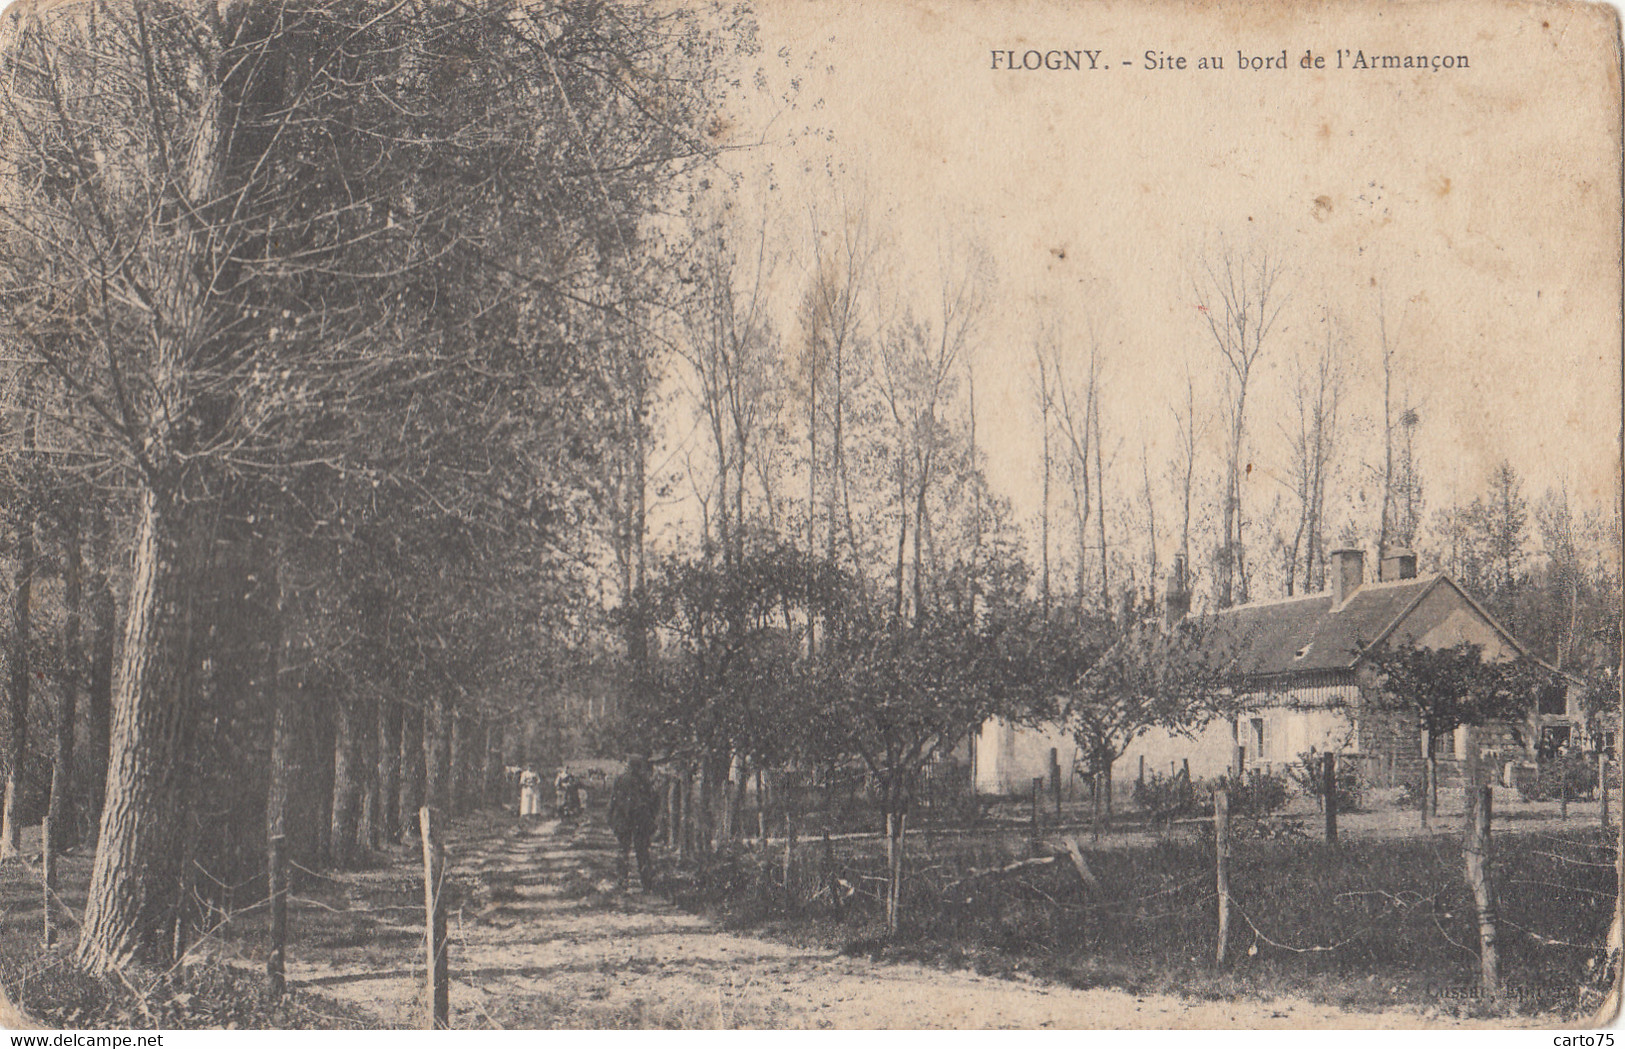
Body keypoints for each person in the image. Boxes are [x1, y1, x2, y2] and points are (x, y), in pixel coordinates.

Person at [608, 755, 660, 890]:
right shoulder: (644, 781)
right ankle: (646, 882)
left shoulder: (620, 780)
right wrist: (652, 817)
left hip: (624, 819)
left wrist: (610, 817)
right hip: (640, 819)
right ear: (638, 767)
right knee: (642, 851)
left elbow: (613, 800)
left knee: (623, 849)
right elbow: (655, 800)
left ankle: (622, 880)